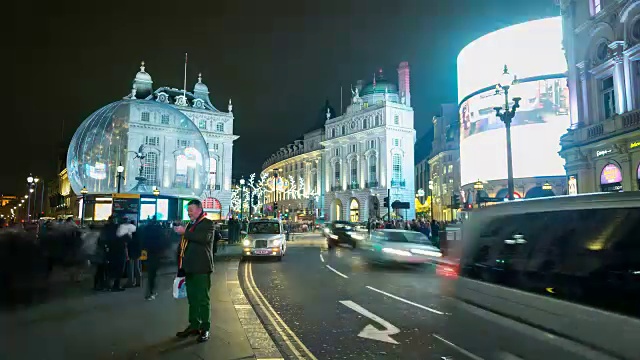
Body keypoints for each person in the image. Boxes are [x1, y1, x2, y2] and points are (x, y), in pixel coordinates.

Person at [174, 199, 220, 343]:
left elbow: (203, 239)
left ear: (199, 209)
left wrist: (184, 232)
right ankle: (194, 325)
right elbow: (184, 246)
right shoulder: (190, 225)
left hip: (202, 268)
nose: (189, 213)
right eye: (188, 211)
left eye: (191, 210)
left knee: (203, 300)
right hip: (189, 268)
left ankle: (205, 328)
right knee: (192, 299)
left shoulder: (208, 224)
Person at [143, 218, 168, 300]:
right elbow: (164, 242)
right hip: (156, 254)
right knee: (153, 274)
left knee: (151, 274)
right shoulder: (159, 230)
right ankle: (150, 292)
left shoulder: (145, 230)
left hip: (148, 253)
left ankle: (150, 292)